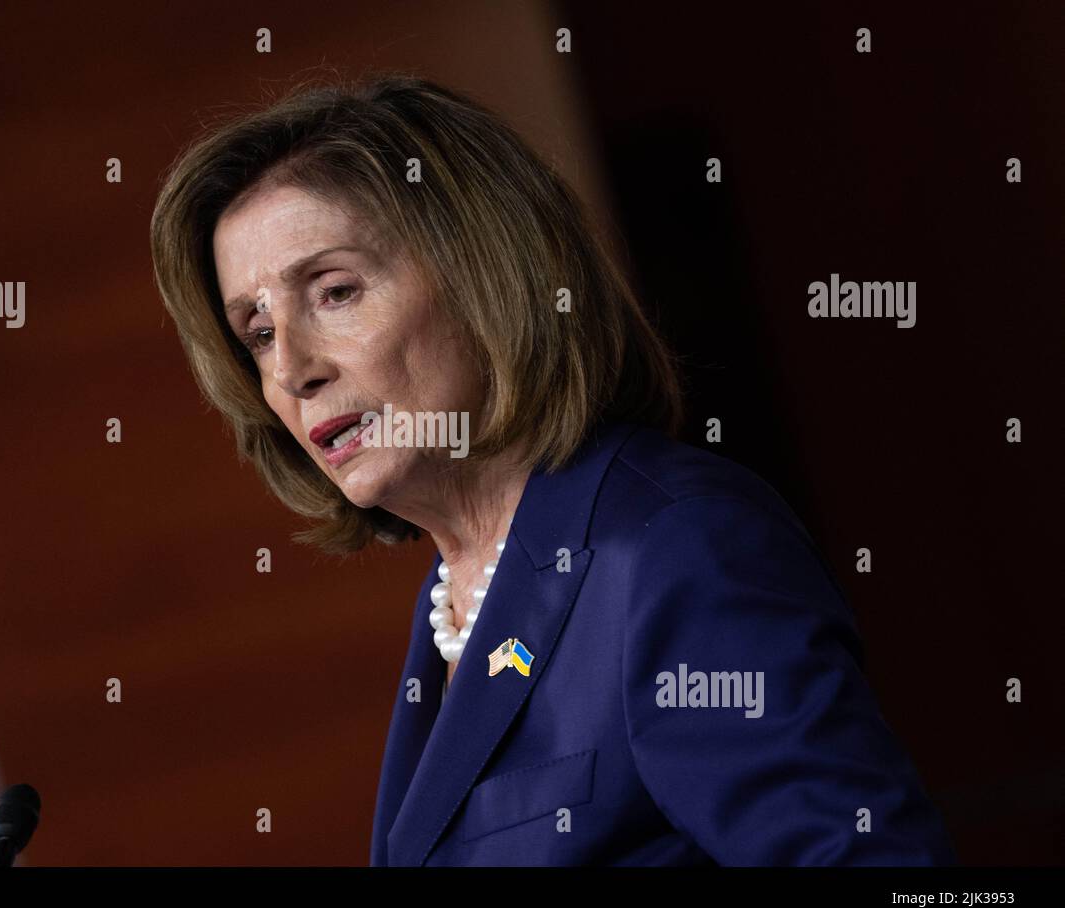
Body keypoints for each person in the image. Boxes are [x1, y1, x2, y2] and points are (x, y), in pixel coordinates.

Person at [149, 71, 958, 866]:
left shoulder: (674, 550)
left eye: (332, 292)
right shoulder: (457, 600)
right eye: (257, 332)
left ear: (485, 275)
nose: (291, 368)